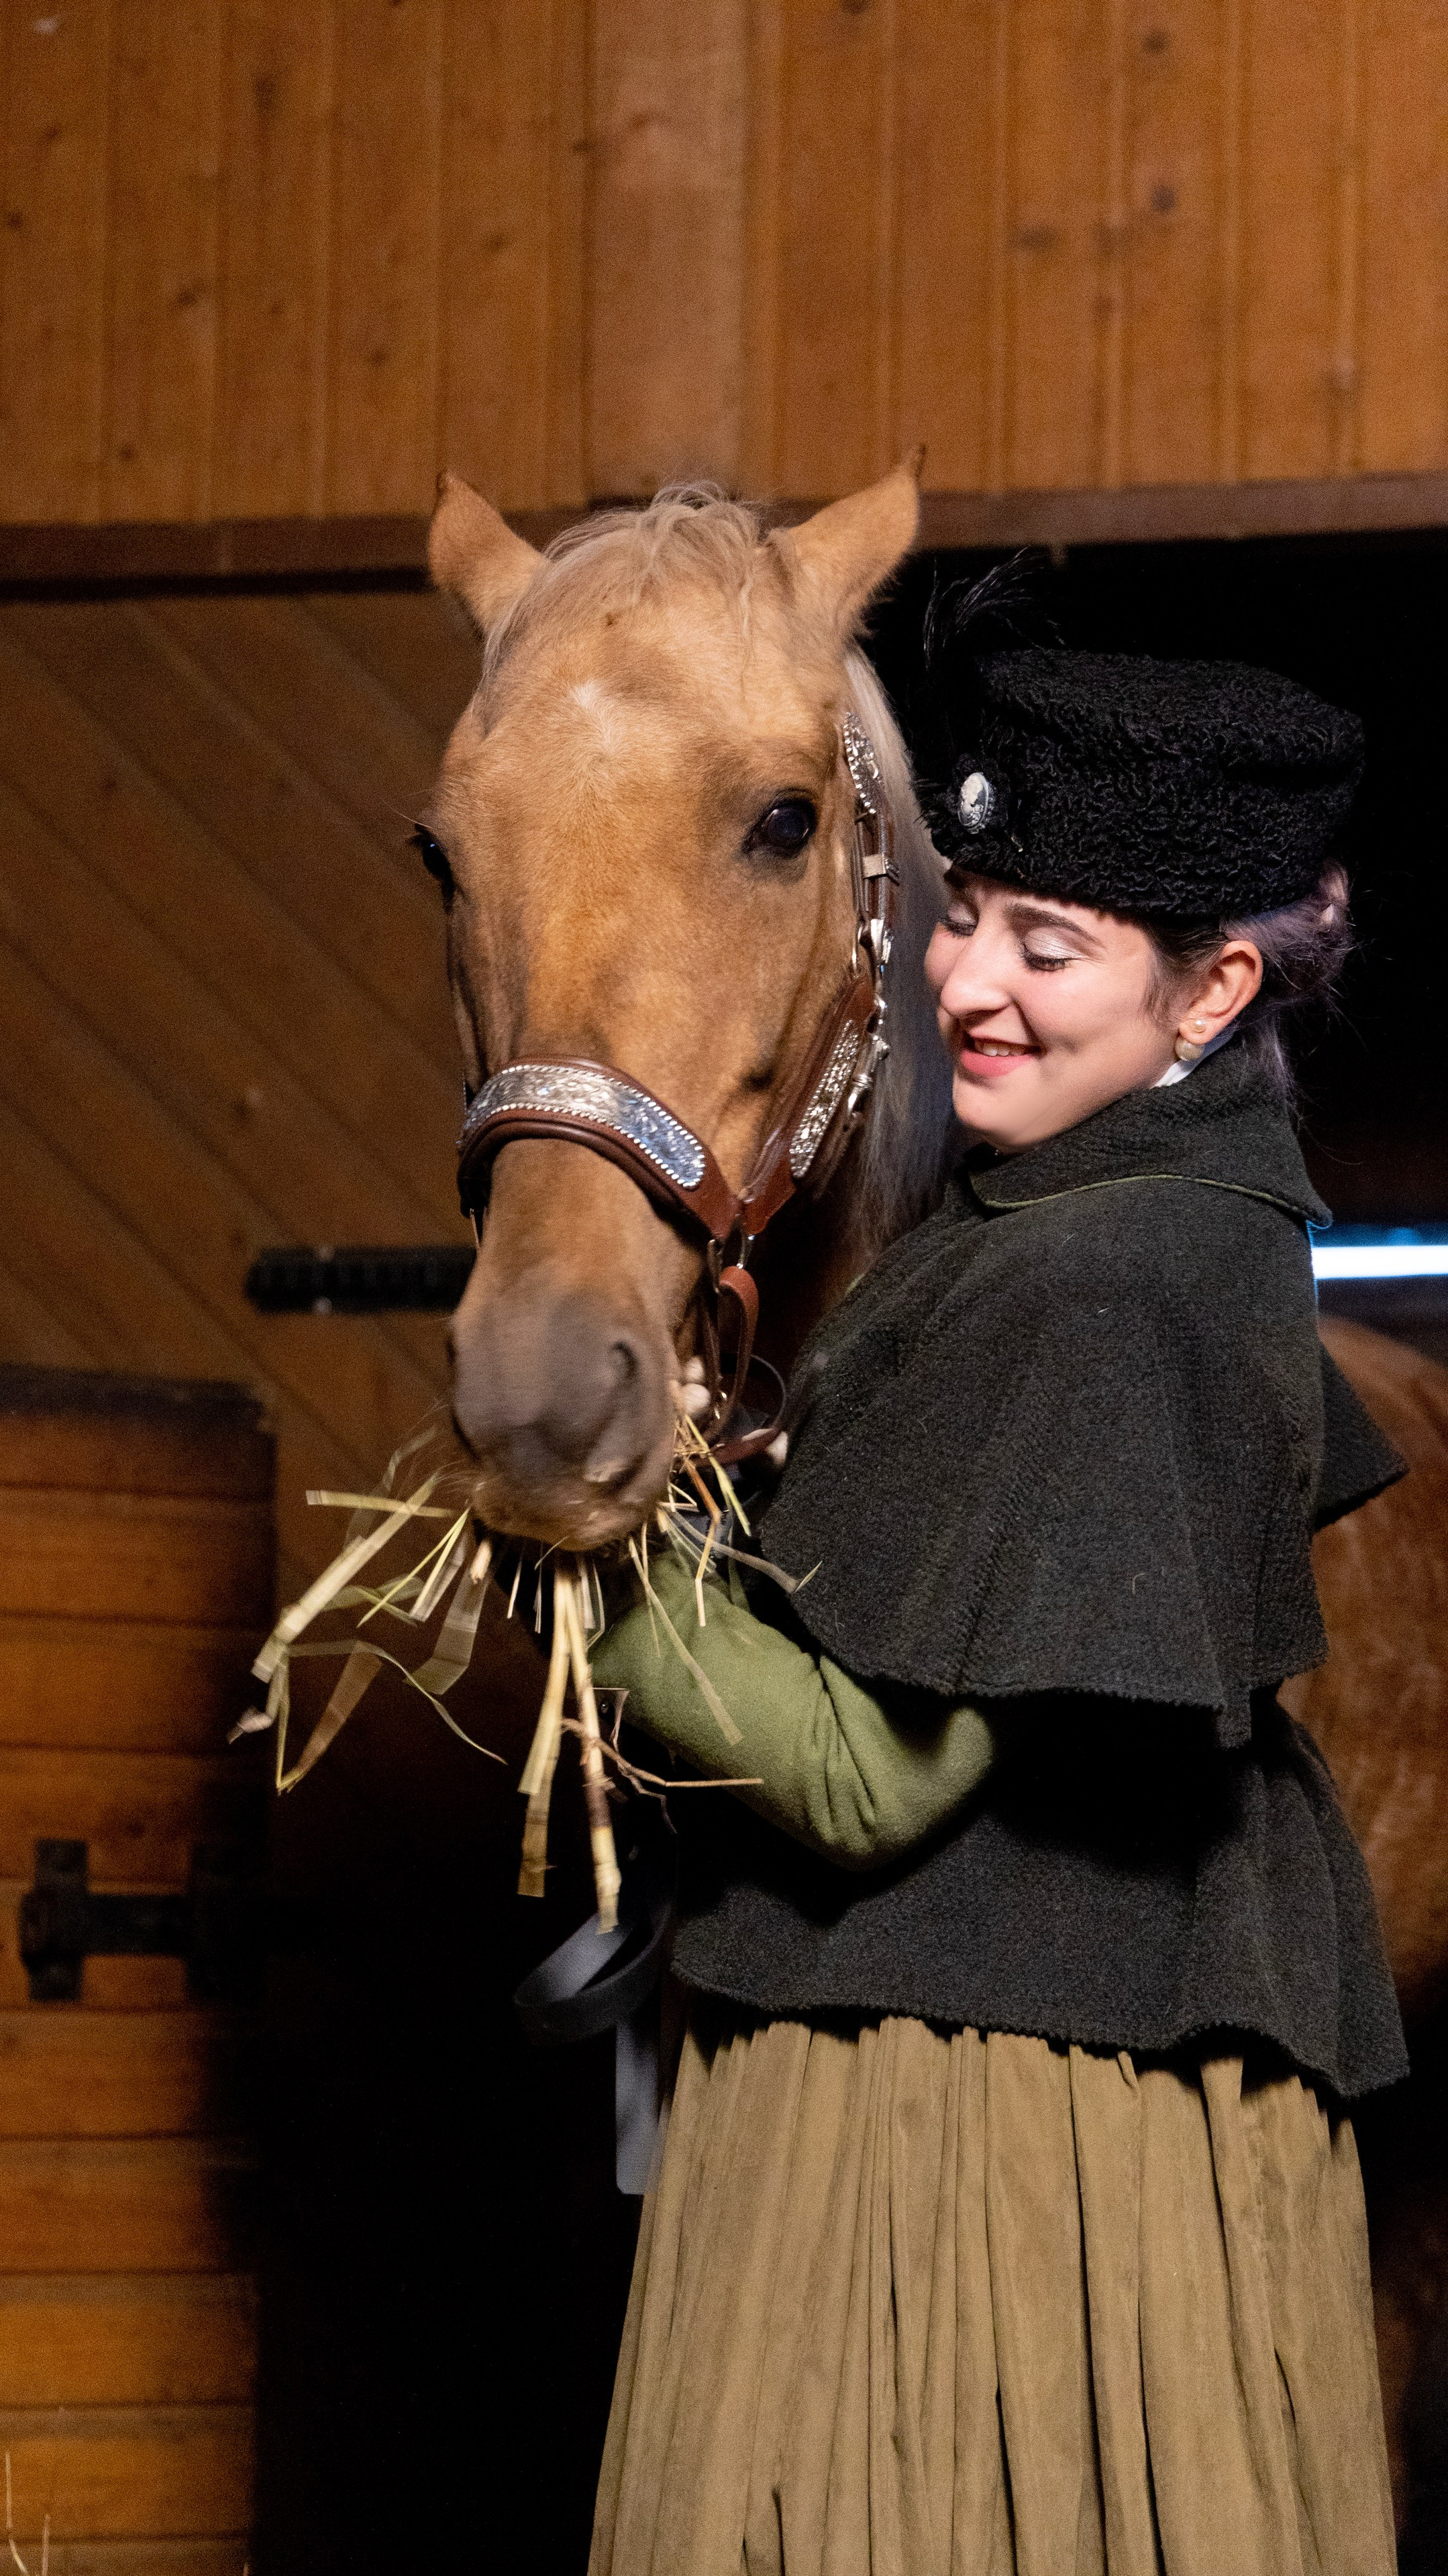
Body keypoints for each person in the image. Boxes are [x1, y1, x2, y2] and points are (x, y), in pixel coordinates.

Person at [587, 625, 1408, 2576]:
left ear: (1215, 987)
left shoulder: (1117, 1279)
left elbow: (875, 1782)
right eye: (970, 924)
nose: (964, 987)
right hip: (967, 2043)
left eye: (1051, 949)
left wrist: (608, 1560)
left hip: (985, 2113)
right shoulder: (1080, 1211)